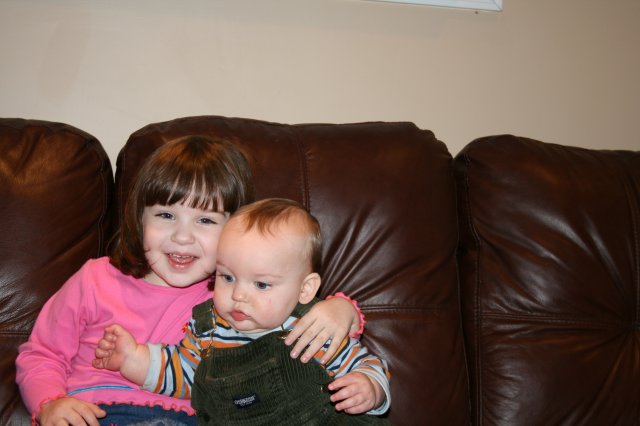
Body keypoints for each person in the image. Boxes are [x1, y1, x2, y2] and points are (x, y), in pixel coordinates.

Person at [16, 136, 364, 426]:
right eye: (166, 215)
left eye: (205, 220)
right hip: (94, 411)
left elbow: (290, 312)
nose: (182, 237)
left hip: (185, 418)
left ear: (234, 231)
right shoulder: (95, 279)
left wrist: (341, 309)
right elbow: (43, 353)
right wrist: (49, 403)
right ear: (139, 219)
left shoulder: (232, 296)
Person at [94, 198, 391, 424]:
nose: (238, 295)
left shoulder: (313, 328)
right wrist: (133, 358)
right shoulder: (208, 330)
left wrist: (370, 388)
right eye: (227, 277)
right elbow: (184, 374)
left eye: (261, 284)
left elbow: (367, 364)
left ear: (305, 289)